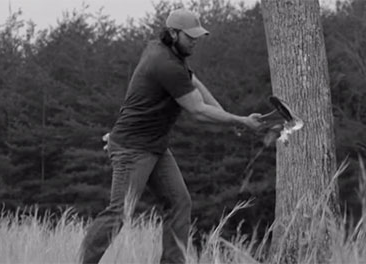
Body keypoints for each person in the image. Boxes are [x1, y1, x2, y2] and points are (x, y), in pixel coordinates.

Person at [78, 8, 263, 264]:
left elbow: (194, 82)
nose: (195, 40)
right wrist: (240, 120)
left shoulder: (168, 52)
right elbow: (197, 110)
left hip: (154, 146)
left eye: (198, 35)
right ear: (173, 33)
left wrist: (226, 117)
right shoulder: (165, 64)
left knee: (179, 203)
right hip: (133, 148)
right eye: (190, 36)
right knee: (120, 212)